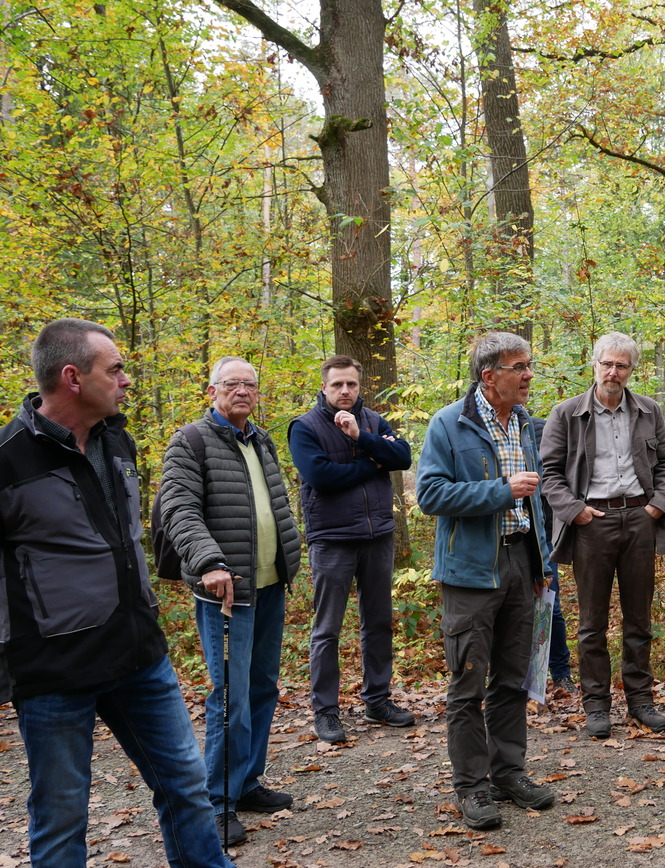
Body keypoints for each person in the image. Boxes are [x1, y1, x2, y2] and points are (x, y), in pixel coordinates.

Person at [0, 318, 235, 868]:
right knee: (61, 822)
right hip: (56, 671)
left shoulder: (118, 440)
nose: (126, 379)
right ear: (72, 378)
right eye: (115, 369)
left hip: (140, 657)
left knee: (187, 788)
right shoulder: (8, 459)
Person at [415, 332, 557, 831]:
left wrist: (544, 567)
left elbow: (538, 503)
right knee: (467, 683)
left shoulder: (525, 424)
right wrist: (500, 491)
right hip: (471, 572)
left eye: (529, 365)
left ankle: (509, 773)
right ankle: (472, 787)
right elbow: (430, 495)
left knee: (513, 678)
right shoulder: (449, 424)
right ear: (489, 375)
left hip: (522, 564)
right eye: (520, 367)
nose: (528, 376)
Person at [158, 357, 302, 845]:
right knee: (228, 696)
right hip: (225, 591)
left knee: (261, 687)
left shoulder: (259, 440)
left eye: (250, 384)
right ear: (212, 390)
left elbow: (274, 506)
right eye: (232, 383)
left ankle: (245, 784)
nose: (242, 391)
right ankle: (215, 805)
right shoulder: (190, 441)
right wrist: (209, 562)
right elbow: (179, 509)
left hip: (268, 584)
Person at [541, 332, 665, 739]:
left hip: (639, 519)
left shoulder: (649, 411)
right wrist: (576, 511)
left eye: (622, 365)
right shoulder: (566, 414)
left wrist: (658, 505)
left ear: (631, 370)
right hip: (591, 523)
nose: (613, 372)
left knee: (639, 619)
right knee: (591, 623)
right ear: (594, 364)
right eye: (607, 364)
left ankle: (640, 702)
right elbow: (549, 474)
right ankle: (596, 706)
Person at [289, 355, 415, 744]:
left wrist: (363, 439)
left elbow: (403, 457)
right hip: (332, 540)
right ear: (323, 388)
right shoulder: (305, 427)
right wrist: (374, 464)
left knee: (378, 622)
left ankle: (377, 700)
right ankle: (325, 711)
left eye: (352, 385)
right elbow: (321, 477)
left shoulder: (374, 422)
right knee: (327, 629)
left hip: (377, 535)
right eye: (337, 385)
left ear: (360, 387)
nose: (345, 391)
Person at [530, 415, 576, 694]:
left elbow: (560, 477)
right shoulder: (486, 435)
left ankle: (560, 674)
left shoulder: (543, 428)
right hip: (502, 534)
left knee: (548, 604)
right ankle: (520, 679)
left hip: (542, 534)